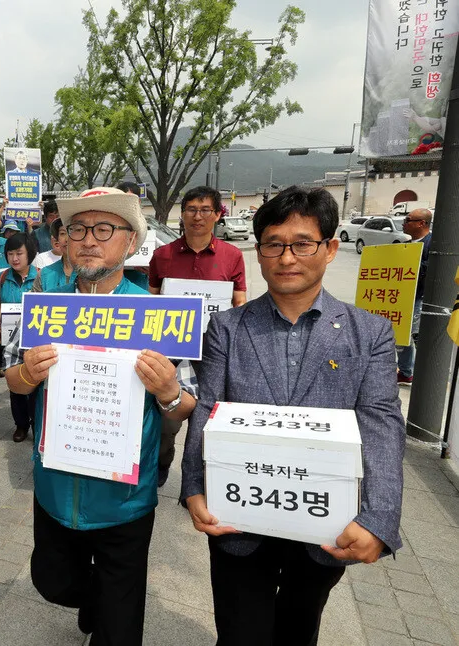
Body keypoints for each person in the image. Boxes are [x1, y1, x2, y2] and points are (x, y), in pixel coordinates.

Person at [181, 186, 405, 645]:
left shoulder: (371, 333)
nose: (287, 258)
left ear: (330, 249)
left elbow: (382, 423)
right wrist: (194, 488)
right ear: (259, 252)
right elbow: (208, 408)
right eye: (274, 244)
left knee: (299, 629)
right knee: (240, 631)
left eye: (303, 244)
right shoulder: (227, 327)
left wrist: (379, 518)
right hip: (238, 520)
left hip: (327, 527)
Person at [4, 187, 197, 644]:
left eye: (105, 229)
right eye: (78, 229)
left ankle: (108, 609)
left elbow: (186, 402)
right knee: (52, 583)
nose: (89, 240)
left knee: (119, 627)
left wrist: (168, 390)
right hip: (54, 488)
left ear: (131, 242)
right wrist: (29, 374)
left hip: (124, 501)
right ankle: (95, 598)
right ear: (64, 240)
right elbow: (12, 378)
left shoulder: (157, 315)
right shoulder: (45, 306)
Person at [148, 185, 247, 487]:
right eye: (191, 209)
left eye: (205, 210)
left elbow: (239, 303)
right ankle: (162, 463)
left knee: (209, 418)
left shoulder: (232, 256)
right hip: (172, 349)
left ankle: (202, 481)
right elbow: (151, 302)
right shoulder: (162, 255)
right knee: (166, 418)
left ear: (218, 214)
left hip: (213, 351)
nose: (197, 216)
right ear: (182, 214)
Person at [0, 232, 38, 443]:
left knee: (36, 382)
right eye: (10, 254)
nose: (15, 258)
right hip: (10, 342)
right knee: (15, 381)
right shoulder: (1, 277)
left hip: (34, 340)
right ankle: (21, 425)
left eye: (19, 253)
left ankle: (37, 422)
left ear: (30, 254)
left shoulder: (41, 276)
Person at [396, 207, 433, 385]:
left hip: (417, 298)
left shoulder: (431, 244)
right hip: (403, 296)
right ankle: (406, 371)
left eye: (408, 220)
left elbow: (430, 272)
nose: (404, 223)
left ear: (421, 223)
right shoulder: (408, 243)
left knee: (409, 336)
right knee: (404, 335)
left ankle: (411, 372)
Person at [32, 218, 75, 292]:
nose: (67, 239)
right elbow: (34, 302)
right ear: (57, 239)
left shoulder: (92, 274)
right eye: (62, 233)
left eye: (71, 232)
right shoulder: (44, 274)